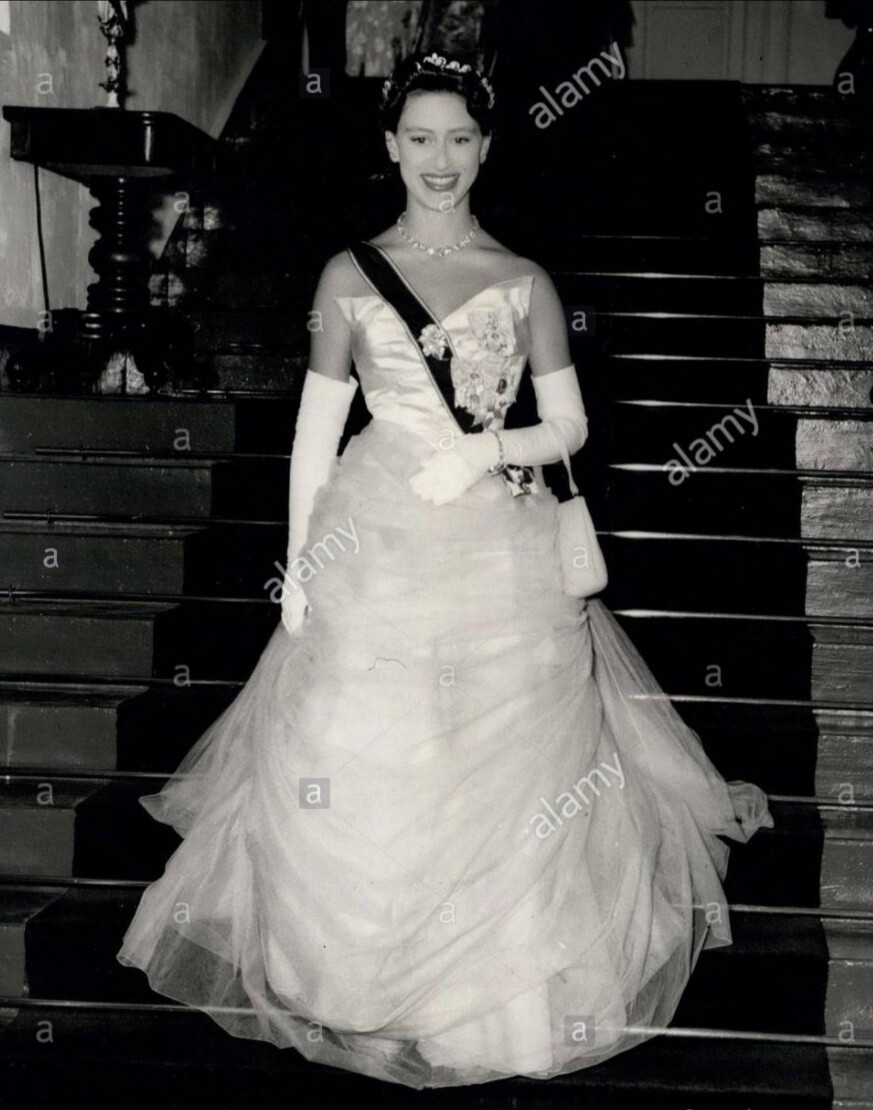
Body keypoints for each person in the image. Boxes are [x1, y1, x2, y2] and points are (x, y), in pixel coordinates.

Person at [117, 51, 773, 1090]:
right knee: (366, 750)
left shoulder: (523, 280)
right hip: (371, 536)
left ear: (487, 147)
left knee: (502, 769)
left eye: (459, 139)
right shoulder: (345, 274)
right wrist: (298, 569)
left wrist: (485, 450)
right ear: (388, 146)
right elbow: (312, 439)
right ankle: (357, 988)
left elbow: (569, 425)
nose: (439, 159)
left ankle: (491, 1009)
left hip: (495, 540)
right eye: (419, 138)